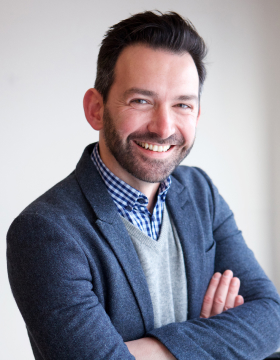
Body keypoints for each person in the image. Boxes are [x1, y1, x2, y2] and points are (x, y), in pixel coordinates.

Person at [7, 11, 280, 360]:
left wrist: (151, 350)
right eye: (141, 101)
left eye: (182, 104)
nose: (163, 127)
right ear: (96, 109)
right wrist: (218, 340)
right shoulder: (45, 231)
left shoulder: (200, 192)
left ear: (196, 115)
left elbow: (271, 316)